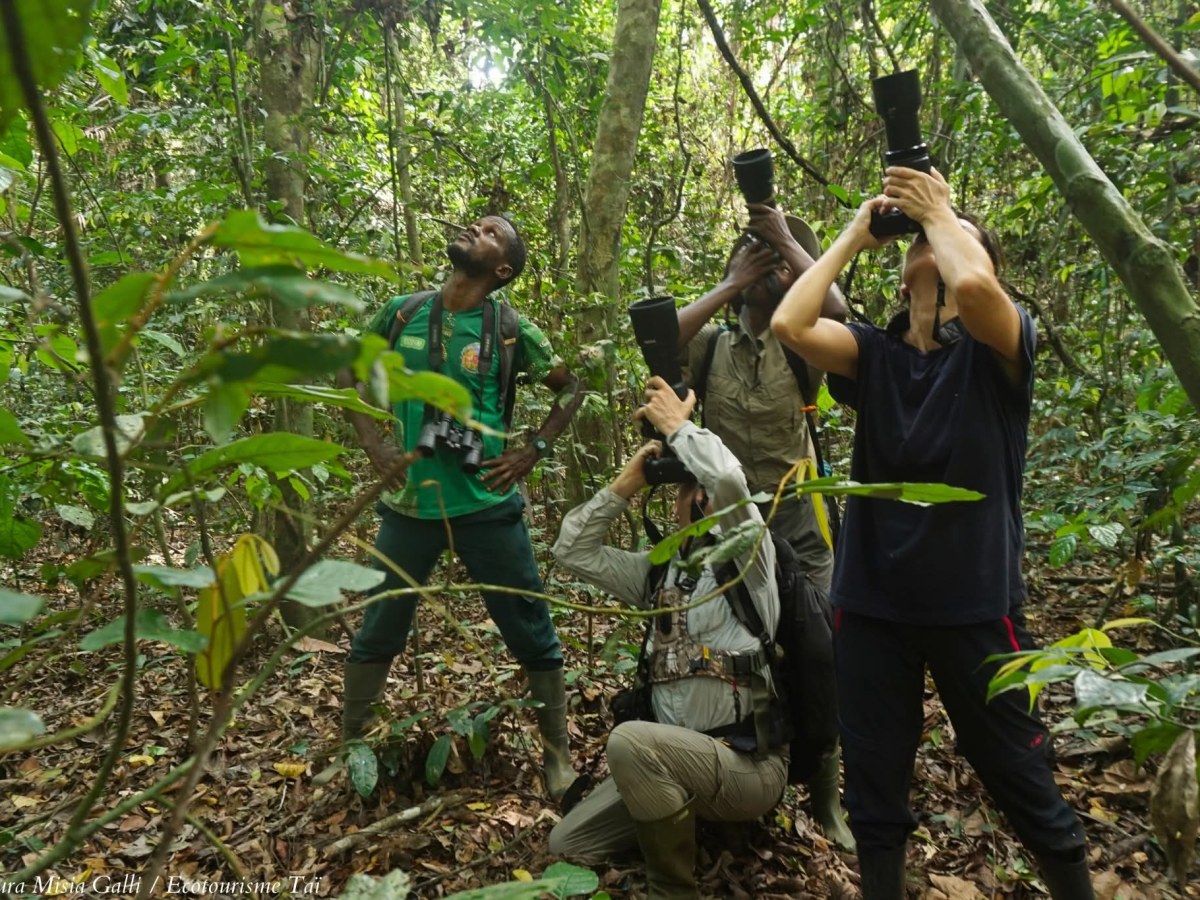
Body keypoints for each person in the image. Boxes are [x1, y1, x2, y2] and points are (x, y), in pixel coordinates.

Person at [769, 167, 1095, 899]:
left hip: (973, 606)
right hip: (873, 606)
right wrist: (856, 233)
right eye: (919, 237)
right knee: (875, 787)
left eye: (946, 239)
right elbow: (789, 325)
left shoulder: (999, 350)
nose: (929, 242)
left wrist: (944, 211)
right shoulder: (873, 354)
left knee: (1017, 771)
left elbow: (977, 291)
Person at [336, 214, 584, 802]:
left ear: (502, 269)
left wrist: (533, 450)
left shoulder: (509, 327)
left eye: (494, 231)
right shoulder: (403, 311)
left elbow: (570, 386)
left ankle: (557, 756)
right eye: (479, 223)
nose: (477, 227)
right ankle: (351, 746)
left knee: (531, 630)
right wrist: (373, 440)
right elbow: (347, 366)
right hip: (409, 508)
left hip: (486, 506)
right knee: (379, 630)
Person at [548, 376, 785, 900]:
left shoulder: (751, 558)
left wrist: (679, 427)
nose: (691, 497)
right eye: (682, 490)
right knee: (568, 843)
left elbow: (726, 479)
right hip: (673, 764)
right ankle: (682, 821)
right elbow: (572, 550)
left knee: (629, 741)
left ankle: (672, 891)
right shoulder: (660, 575)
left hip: (747, 765)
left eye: (694, 489)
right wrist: (627, 483)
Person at [675, 208, 855, 849]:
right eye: (748, 254)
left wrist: (785, 241)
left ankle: (827, 800)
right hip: (724, 530)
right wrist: (731, 283)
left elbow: (838, 314)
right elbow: (659, 342)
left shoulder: (804, 341)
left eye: (772, 263)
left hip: (799, 523)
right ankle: (722, 777)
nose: (760, 268)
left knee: (821, 656)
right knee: (724, 656)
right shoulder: (713, 343)